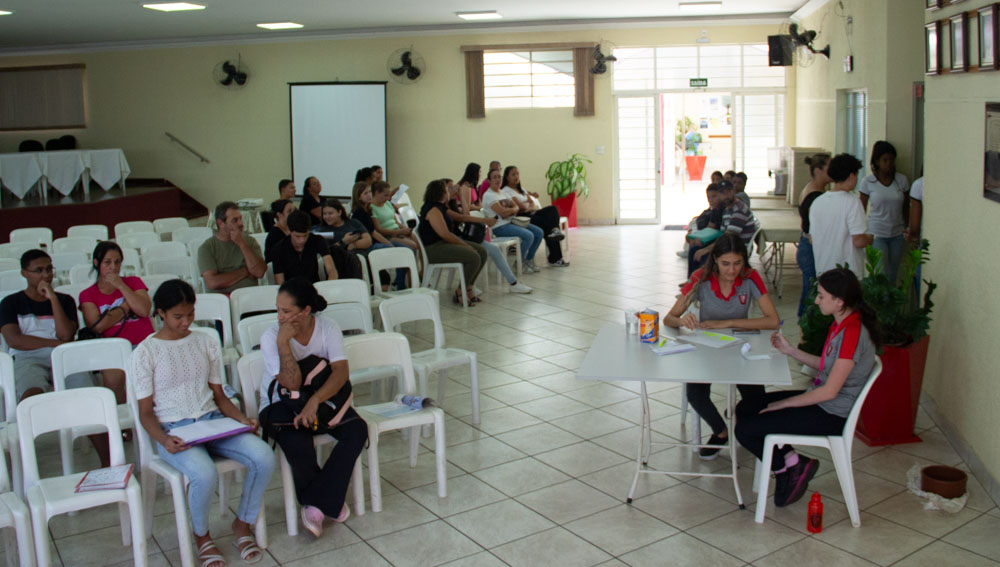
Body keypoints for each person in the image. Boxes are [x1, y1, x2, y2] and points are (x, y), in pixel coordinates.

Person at [132, 279, 273, 566]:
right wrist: (163, 439)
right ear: (160, 313)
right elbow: (145, 412)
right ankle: (202, 537)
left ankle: (242, 524)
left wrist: (241, 419)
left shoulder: (206, 340)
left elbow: (219, 396)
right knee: (204, 473)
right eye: (177, 316)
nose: (186, 322)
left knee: (264, 455)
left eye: (190, 314)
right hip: (173, 429)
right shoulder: (145, 352)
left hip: (212, 421)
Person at [735, 268, 879, 508]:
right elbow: (827, 367)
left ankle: (784, 468)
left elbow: (829, 391)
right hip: (823, 400)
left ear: (839, 301)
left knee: (746, 429)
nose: (817, 300)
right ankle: (792, 461)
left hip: (830, 413)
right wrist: (790, 351)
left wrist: (783, 404)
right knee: (746, 407)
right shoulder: (842, 324)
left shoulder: (853, 333)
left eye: (822, 296)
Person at [259, 279, 366, 538]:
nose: (280, 316)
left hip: (320, 400)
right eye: (278, 310)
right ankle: (325, 501)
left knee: (357, 430)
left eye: (286, 311)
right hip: (279, 406)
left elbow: (340, 372)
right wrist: (284, 344)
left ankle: (315, 502)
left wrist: (315, 400)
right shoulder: (271, 336)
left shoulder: (327, 327)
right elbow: (291, 383)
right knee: (298, 437)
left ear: (306, 310)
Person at [664, 233, 780, 459]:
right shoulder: (701, 278)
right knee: (695, 394)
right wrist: (682, 320)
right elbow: (670, 317)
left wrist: (728, 322)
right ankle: (721, 431)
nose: (731, 270)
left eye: (737, 263)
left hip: (740, 347)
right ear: (715, 260)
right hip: (706, 349)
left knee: (756, 396)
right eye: (725, 263)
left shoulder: (750, 277)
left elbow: (772, 320)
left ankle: (739, 417)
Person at [0, 250, 104, 461]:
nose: (46, 275)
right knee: (31, 397)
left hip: (64, 357)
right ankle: (26, 461)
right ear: (24, 273)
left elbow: (66, 334)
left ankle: (108, 461)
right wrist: (53, 343)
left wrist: (53, 299)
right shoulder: (10, 303)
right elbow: (15, 340)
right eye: (38, 270)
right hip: (27, 358)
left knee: (90, 399)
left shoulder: (65, 301)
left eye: (49, 269)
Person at [79, 241, 155, 404]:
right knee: (114, 382)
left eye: (117, 262)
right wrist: (127, 306)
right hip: (113, 349)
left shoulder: (133, 282)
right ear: (96, 263)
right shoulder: (88, 294)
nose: (113, 267)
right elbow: (98, 325)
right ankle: (122, 424)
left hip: (144, 344)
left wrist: (121, 285)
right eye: (107, 262)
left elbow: (143, 310)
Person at [444, 179, 532, 294]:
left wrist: (461, 195)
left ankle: (513, 283)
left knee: (494, 250)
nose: (455, 189)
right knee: (478, 252)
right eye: (451, 188)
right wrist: (486, 220)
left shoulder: (453, 205)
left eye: (454, 187)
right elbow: (462, 218)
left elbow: (465, 214)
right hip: (453, 241)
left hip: (463, 238)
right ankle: (468, 285)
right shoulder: (442, 209)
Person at [419, 179, 488, 305]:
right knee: (474, 257)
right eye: (446, 190)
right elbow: (445, 234)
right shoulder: (432, 209)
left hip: (443, 244)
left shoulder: (441, 207)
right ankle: (460, 292)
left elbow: (461, 217)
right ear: (440, 193)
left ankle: (468, 287)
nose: (449, 193)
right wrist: (465, 245)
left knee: (482, 252)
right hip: (434, 249)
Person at [809, 154, 873, 280]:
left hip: (823, 270)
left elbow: (812, 239)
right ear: (851, 176)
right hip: (847, 274)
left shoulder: (817, 202)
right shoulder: (852, 202)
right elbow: (858, 240)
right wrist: (871, 239)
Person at [858, 141, 909, 283]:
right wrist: (861, 232)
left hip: (897, 233)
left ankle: (890, 305)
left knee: (893, 274)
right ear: (876, 161)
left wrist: (908, 226)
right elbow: (861, 208)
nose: (889, 164)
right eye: (885, 160)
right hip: (877, 234)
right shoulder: (868, 182)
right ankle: (879, 304)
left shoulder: (901, 180)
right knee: (880, 274)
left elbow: (906, 206)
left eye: (891, 160)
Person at [502, 165, 568, 267]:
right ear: (507, 177)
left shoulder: (521, 189)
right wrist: (528, 206)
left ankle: (555, 231)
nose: (516, 177)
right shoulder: (506, 190)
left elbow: (531, 202)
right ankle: (555, 258)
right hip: (522, 217)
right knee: (548, 226)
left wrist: (528, 206)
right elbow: (520, 207)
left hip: (531, 213)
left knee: (552, 209)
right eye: (513, 174)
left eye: (517, 174)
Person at [482, 168, 545, 273]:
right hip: (500, 227)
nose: (497, 179)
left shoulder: (502, 193)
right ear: (489, 181)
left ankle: (529, 260)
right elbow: (502, 213)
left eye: (499, 177)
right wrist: (511, 210)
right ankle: (520, 262)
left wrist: (511, 210)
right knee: (529, 235)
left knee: (539, 232)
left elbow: (516, 208)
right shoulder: (488, 195)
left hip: (511, 222)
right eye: (494, 177)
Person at [689, 180, 757, 276]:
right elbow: (722, 235)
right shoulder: (727, 210)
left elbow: (728, 237)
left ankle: (701, 281)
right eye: (722, 193)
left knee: (704, 254)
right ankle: (692, 280)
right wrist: (702, 241)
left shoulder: (739, 210)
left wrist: (706, 249)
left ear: (733, 191)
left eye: (728, 191)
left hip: (736, 247)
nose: (726, 196)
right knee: (695, 248)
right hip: (729, 243)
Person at [198, 202, 266, 293]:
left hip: (250, 297)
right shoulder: (207, 248)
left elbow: (259, 272)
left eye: (241, 219)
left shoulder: (250, 241)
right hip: (222, 300)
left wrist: (242, 244)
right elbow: (212, 282)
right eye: (234, 220)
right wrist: (245, 271)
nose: (241, 223)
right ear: (220, 223)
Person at [352, 181, 408, 290]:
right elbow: (374, 233)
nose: (369, 195)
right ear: (358, 197)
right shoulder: (359, 213)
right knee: (401, 253)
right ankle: (400, 286)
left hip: (374, 242)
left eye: (369, 192)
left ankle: (400, 284)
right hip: (369, 246)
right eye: (365, 193)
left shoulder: (367, 209)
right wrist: (388, 244)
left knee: (405, 251)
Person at [796, 153, 832, 316]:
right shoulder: (815, 195)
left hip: (807, 246)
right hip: (809, 248)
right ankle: (806, 328)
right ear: (818, 170)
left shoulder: (814, 189)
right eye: (829, 168)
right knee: (811, 293)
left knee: (810, 290)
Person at [273, 211, 339, 284]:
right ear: (289, 231)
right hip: (291, 289)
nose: (302, 240)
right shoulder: (279, 248)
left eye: (305, 235)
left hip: (314, 287)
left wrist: (329, 284)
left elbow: (331, 270)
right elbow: (280, 282)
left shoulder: (318, 240)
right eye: (297, 236)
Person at [370, 181, 419, 252]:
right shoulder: (372, 208)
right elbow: (379, 229)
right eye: (385, 195)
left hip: (397, 231)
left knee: (415, 239)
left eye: (388, 195)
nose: (387, 198)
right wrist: (398, 232)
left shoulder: (388, 204)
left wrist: (405, 229)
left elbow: (396, 222)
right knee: (412, 245)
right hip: (388, 236)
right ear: (377, 193)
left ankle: (419, 261)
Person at [264, 199, 295, 264]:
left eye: (294, 210)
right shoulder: (274, 235)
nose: (294, 214)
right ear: (279, 214)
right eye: (289, 211)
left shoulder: (293, 229)